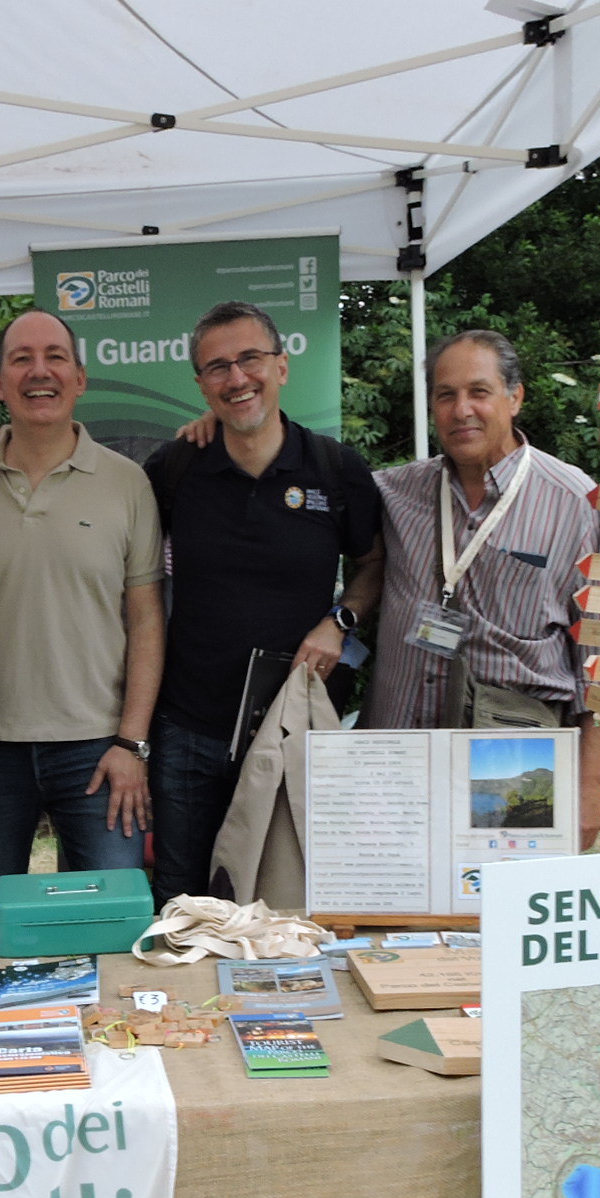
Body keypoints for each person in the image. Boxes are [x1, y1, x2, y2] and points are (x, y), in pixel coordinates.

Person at [0, 310, 163, 917]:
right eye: (21, 358)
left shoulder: (128, 484)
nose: (38, 371)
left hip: (98, 749)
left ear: (80, 377)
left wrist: (134, 742)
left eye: (54, 357)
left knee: (107, 920)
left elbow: (147, 620)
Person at [143, 299, 385, 903]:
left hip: (293, 728)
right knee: (184, 905)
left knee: (291, 901)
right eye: (217, 367)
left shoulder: (335, 469)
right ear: (201, 385)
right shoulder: (172, 469)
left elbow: (374, 564)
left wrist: (340, 621)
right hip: (190, 731)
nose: (237, 378)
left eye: (250, 358)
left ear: (281, 366)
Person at [365, 330, 600, 846]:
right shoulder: (393, 492)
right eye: (446, 395)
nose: (462, 410)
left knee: (502, 917)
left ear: (515, 396)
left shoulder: (579, 504)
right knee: (392, 919)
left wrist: (589, 789)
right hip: (397, 766)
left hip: (511, 768)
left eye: (479, 392)